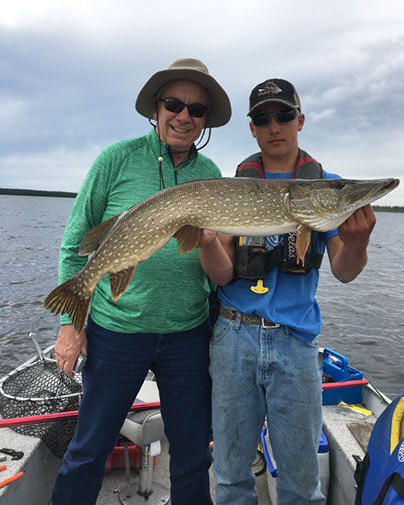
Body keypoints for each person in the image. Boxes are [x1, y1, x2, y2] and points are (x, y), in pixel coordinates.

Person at [51, 57, 231, 505]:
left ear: (205, 119)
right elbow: (75, 241)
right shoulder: (116, 159)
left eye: (196, 109)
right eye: (174, 104)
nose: (184, 116)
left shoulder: (210, 174)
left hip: (187, 333)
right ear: (156, 108)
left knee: (193, 453)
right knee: (89, 449)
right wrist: (71, 325)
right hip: (117, 333)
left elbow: (217, 261)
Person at [199, 78, 376, 504]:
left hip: (295, 343)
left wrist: (357, 244)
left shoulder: (326, 187)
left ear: (300, 120)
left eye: (283, 115)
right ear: (252, 128)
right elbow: (222, 275)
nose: (274, 125)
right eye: (263, 119)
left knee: (301, 483)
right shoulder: (235, 187)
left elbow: (344, 271)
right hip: (233, 336)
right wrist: (205, 241)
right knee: (230, 478)